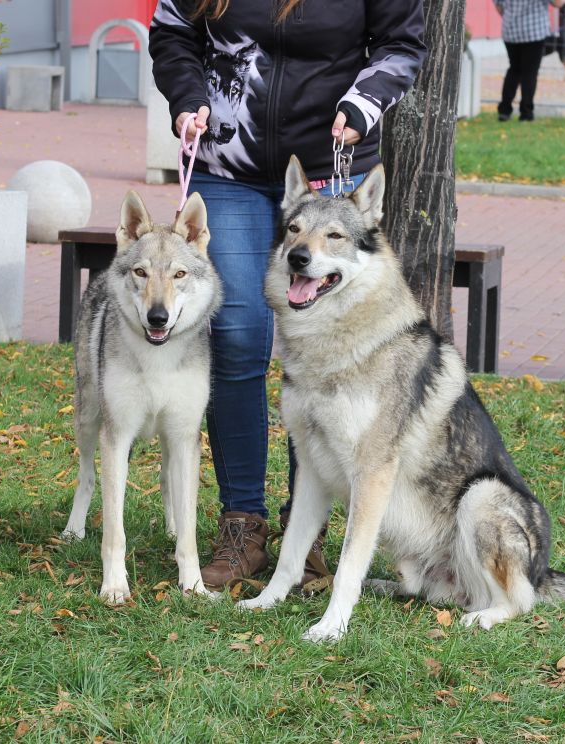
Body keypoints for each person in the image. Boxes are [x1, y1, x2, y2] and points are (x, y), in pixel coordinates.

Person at [148, 0, 427, 590]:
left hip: (332, 169)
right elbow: (172, 32)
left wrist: (363, 103)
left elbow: (402, 45)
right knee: (238, 335)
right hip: (229, 164)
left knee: (327, 350)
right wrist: (188, 98)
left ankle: (309, 535)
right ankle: (242, 523)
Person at [495, 0, 565, 121]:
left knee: (514, 69)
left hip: (510, 31)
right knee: (529, 73)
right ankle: (526, 112)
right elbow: (557, 3)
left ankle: (504, 110)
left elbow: (499, 7)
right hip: (533, 31)